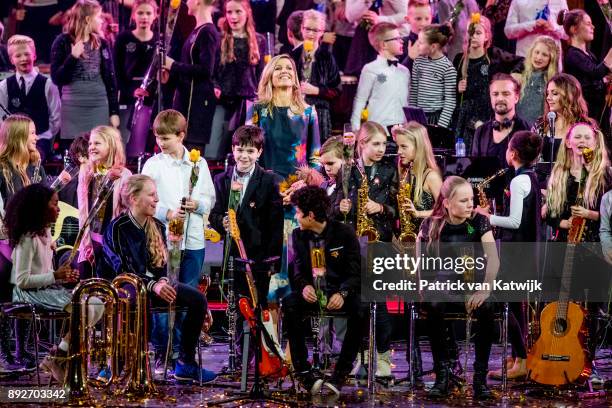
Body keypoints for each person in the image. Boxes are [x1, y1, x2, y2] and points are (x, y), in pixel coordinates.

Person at [101, 174, 216, 383]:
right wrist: (153, 285)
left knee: (197, 299)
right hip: (128, 287)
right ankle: (119, 363)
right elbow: (124, 270)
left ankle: (185, 363)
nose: (156, 200)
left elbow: (161, 265)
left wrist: (162, 281)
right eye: (151, 195)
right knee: (140, 298)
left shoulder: (158, 226)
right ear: (134, 198)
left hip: (155, 286)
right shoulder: (118, 227)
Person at [6, 184, 103, 384]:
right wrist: (55, 276)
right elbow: (21, 281)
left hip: (45, 289)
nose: (59, 209)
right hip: (27, 294)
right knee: (82, 307)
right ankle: (61, 358)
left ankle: (59, 354)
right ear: (40, 208)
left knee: (97, 303)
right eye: (55, 204)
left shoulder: (46, 233)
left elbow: (45, 272)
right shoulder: (27, 238)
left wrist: (62, 275)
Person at [141, 109, 215, 370]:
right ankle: (163, 350)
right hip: (163, 239)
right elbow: (143, 200)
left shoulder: (199, 163)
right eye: (158, 137)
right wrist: (166, 212)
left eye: (167, 138)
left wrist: (197, 204)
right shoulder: (153, 164)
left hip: (192, 240)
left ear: (182, 136)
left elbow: (209, 199)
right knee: (166, 294)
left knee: (189, 297)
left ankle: (184, 353)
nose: (161, 143)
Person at [418, 175, 500, 399]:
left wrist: (484, 289)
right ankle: (442, 373)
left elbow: (493, 259)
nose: (470, 204)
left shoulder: (478, 222)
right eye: (463, 201)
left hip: (473, 282)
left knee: (488, 308)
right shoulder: (431, 224)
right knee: (433, 303)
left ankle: (480, 377)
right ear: (446, 203)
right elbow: (421, 265)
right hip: (443, 283)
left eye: (471, 199)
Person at [209, 125, 283, 362]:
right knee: (235, 306)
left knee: (255, 307)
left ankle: (256, 356)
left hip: (259, 258)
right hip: (231, 255)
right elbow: (214, 213)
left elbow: (276, 225)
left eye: (250, 151)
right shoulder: (221, 179)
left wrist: (273, 261)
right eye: (240, 150)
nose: (244, 156)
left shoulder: (270, 181)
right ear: (232, 149)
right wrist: (221, 221)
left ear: (259, 152)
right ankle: (239, 356)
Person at [474, 131, 544, 380]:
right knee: (515, 305)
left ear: (512, 153)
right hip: (526, 250)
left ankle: (522, 360)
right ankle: (518, 357)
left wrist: (487, 216)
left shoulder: (517, 181)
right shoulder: (531, 177)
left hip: (517, 253)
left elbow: (514, 222)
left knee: (509, 305)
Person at [283, 185, 365, 396]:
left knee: (360, 308)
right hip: (314, 292)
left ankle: (340, 374)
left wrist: (343, 293)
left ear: (310, 215)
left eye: (298, 212)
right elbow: (297, 271)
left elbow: (355, 273)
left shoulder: (344, 233)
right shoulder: (297, 235)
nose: (296, 217)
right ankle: (303, 371)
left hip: (339, 292)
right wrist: (304, 287)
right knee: (290, 304)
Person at [335, 121, 397, 378]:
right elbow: (334, 204)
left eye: (384, 144)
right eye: (376, 144)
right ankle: (358, 356)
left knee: (379, 303)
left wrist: (380, 208)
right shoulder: (348, 171)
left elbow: (397, 210)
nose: (382, 149)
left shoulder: (390, 171)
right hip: (353, 243)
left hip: (379, 241)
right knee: (356, 305)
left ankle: (382, 357)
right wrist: (340, 207)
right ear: (362, 144)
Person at [50, 0, 119, 150]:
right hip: (73, 108)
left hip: (98, 106)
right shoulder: (62, 41)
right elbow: (57, 78)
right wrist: (72, 57)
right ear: (88, 19)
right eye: (98, 17)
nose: (101, 21)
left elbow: (110, 80)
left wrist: (114, 111)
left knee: (99, 150)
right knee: (74, 152)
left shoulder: (102, 43)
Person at [453, 14, 524, 150]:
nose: (473, 36)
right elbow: (454, 97)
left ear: (486, 36)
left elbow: (521, 61)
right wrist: (458, 88)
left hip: (488, 114)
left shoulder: (493, 55)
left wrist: (515, 72)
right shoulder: (459, 59)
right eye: (470, 33)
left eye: (478, 33)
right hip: (467, 118)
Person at [247, 54, 320, 179]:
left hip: (298, 187)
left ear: (294, 76)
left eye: (289, 68)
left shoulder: (308, 112)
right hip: (265, 184)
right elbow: (249, 150)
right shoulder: (256, 109)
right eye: (278, 68)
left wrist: (308, 183)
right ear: (269, 75)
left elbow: (315, 157)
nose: (284, 71)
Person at [211, 0, 265, 160]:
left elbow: (262, 72)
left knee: (246, 146)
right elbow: (211, 69)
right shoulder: (220, 38)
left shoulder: (259, 40)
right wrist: (214, 85)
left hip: (248, 101)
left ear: (247, 12)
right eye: (229, 12)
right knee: (217, 148)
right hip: (223, 100)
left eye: (238, 11)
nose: (233, 16)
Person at [163, 0, 220, 150]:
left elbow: (206, 70)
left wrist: (173, 65)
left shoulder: (208, 31)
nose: (186, 2)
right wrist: (170, 74)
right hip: (186, 100)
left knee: (191, 157)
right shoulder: (198, 30)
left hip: (197, 106)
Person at [77, 125, 131, 279]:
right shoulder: (86, 173)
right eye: (90, 144)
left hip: (111, 244)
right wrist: (85, 243)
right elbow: (83, 211)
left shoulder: (124, 175)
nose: (92, 147)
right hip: (89, 242)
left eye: (97, 143)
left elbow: (127, 211)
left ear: (112, 146)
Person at [0, 35, 61, 163]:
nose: (23, 59)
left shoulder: (48, 84)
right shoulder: (4, 86)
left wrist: (41, 137)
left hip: (40, 141)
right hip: (13, 142)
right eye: (18, 56)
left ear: (34, 55)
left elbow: (56, 118)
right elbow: (2, 119)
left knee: (31, 158)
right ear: (11, 60)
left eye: (27, 54)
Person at [289, 10, 341, 143]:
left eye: (315, 30)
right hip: (294, 113)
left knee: (317, 155)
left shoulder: (327, 58)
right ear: (301, 29)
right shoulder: (293, 56)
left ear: (322, 32)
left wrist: (317, 90)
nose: (311, 33)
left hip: (319, 115)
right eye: (307, 29)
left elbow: (337, 90)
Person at [559, 8, 612, 136]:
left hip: (597, 109)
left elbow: (595, 79)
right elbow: (595, 72)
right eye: (588, 23)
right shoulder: (572, 54)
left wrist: (606, 80)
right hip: (586, 112)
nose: (593, 27)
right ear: (574, 29)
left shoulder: (589, 54)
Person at [351, 23, 410, 133]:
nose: (402, 41)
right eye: (397, 38)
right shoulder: (370, 69)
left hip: (402, 130)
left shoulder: (404, 71)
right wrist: (356, 129)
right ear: (384, 44)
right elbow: (360, 100)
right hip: (378, 129)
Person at [113, 0, 157, 145]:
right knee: (126, 141)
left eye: (148, 13)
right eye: (140, 13)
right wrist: (131, 91)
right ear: (133, 15)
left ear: (155, 16)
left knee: (148, 142)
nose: (144, 17)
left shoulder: (159, 41)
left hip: (152, 98)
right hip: (128, 97)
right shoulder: (123, 39)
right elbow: (117, 72)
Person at [471, 74, 530, 168]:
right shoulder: (480, 132)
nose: (500, 98)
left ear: (516, 97)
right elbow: (474, 169)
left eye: (506, 94)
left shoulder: (527, 131)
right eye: (495, 94)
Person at [532, 73, 591, 162]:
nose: (548, 98)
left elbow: (591, 161)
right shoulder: (541, 124)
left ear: (569, 95)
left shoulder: (586, 126)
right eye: (547, 93)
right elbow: (529, 158)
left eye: (554, 93)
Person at [393, 121, 442, 227]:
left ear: (418, 147)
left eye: (404, 147)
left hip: (425, 237)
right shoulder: (405, 171)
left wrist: (418, 213)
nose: (399, 151)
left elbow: (444, 210)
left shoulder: (431, 176)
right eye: (398, 146)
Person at [410, 23, 457, 128]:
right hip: (419, 117)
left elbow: (450, 101)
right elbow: (414, 92)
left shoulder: (447, 68)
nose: (417, 45)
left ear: (433, 46)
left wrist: (440, 126)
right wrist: (412, 118)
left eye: (421, 43)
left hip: (437, 118)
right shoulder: (418, 62)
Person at [513, 35, 560, 127]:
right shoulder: (521, 74)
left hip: (539, 128)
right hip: (518, 126)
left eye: (544, 55)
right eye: (536, 52)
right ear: (531, 52)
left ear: (551, 58)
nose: (539, 57)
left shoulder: (554, 81)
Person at [401, 0, 433, 72]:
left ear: (432, 18)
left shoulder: (438, 44)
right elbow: (395, 75)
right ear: (407, 19)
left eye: (427, 19)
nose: (423, 23)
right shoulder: (401, 44)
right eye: (418, 19)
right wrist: (410, 58)